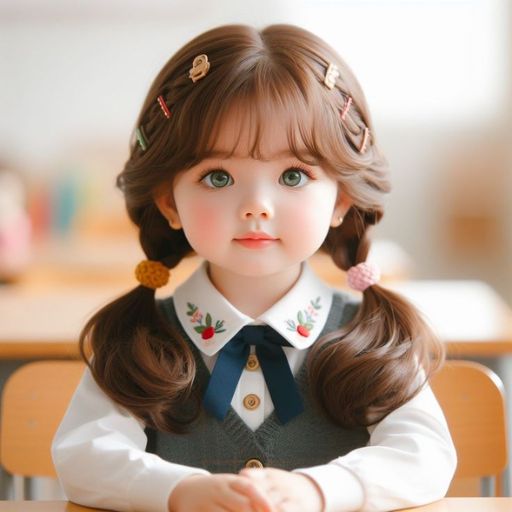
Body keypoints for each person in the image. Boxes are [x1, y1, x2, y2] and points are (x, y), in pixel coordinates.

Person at [52, 24, 456, 512]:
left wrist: (320, 490)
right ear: (168, 202)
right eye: (218, 177)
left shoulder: (373, 335)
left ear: (341, 200)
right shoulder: (136, 337)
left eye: (293, 175)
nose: (256, 206)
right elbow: (84, 456)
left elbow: (424, 456)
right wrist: (178, 491)